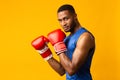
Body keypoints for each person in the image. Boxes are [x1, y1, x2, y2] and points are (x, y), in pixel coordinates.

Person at [31, 4, 95, 80]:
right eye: (60, 20)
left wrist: (58, 45)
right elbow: (62, 70)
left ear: (75, 16)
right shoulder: (67, 39)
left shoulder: (84, 37)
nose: (63, 23)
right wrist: (45, 52)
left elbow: (71, 70)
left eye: (66, 19)